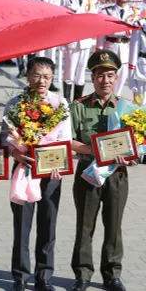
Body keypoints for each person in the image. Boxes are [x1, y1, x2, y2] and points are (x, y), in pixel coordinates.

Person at [1, 57, 72, 291]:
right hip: (24, 168)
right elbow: (6, 136)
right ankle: (20, 276)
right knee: (21, 224)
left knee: (48, 224)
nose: (42, 81)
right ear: (28, 76)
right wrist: (16, 153)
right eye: (37, 75)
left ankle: (44, 276)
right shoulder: (16, 103)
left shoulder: (60, 104)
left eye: (47, 77)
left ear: (52, 79)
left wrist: (58, 164)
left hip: (51, 172)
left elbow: (65, 139)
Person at [69, 50, 133, 291]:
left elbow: (139, 143)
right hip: (88, 173)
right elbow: (70, 141)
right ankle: (83, 274)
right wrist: (95, 151)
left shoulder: (128, 108)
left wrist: (133, 157)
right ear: (92, 78)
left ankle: (112, 274)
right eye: (99, 75)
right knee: (85, 226)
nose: (105, 80)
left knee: (114, 226)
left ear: (117, 77)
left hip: (117, 175)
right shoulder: (79, 107)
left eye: (109, 75)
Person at [96, 0, 141, 96]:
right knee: (108, 80)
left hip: (126, 49)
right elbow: (100, 34)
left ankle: (115, 106)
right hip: (110, 48)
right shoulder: (107, 12)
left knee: (121, 81)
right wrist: (99, 52)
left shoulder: (135, 13)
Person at [61, 0, 98, 102]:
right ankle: (66, 103)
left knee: (81, 75)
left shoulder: (93, 0)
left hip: (85, 41)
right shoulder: (67, 0)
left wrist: (77, 11)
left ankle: (77, 103)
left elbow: (92, 18)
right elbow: (62, 20)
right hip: (71, 41)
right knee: (69, 73)